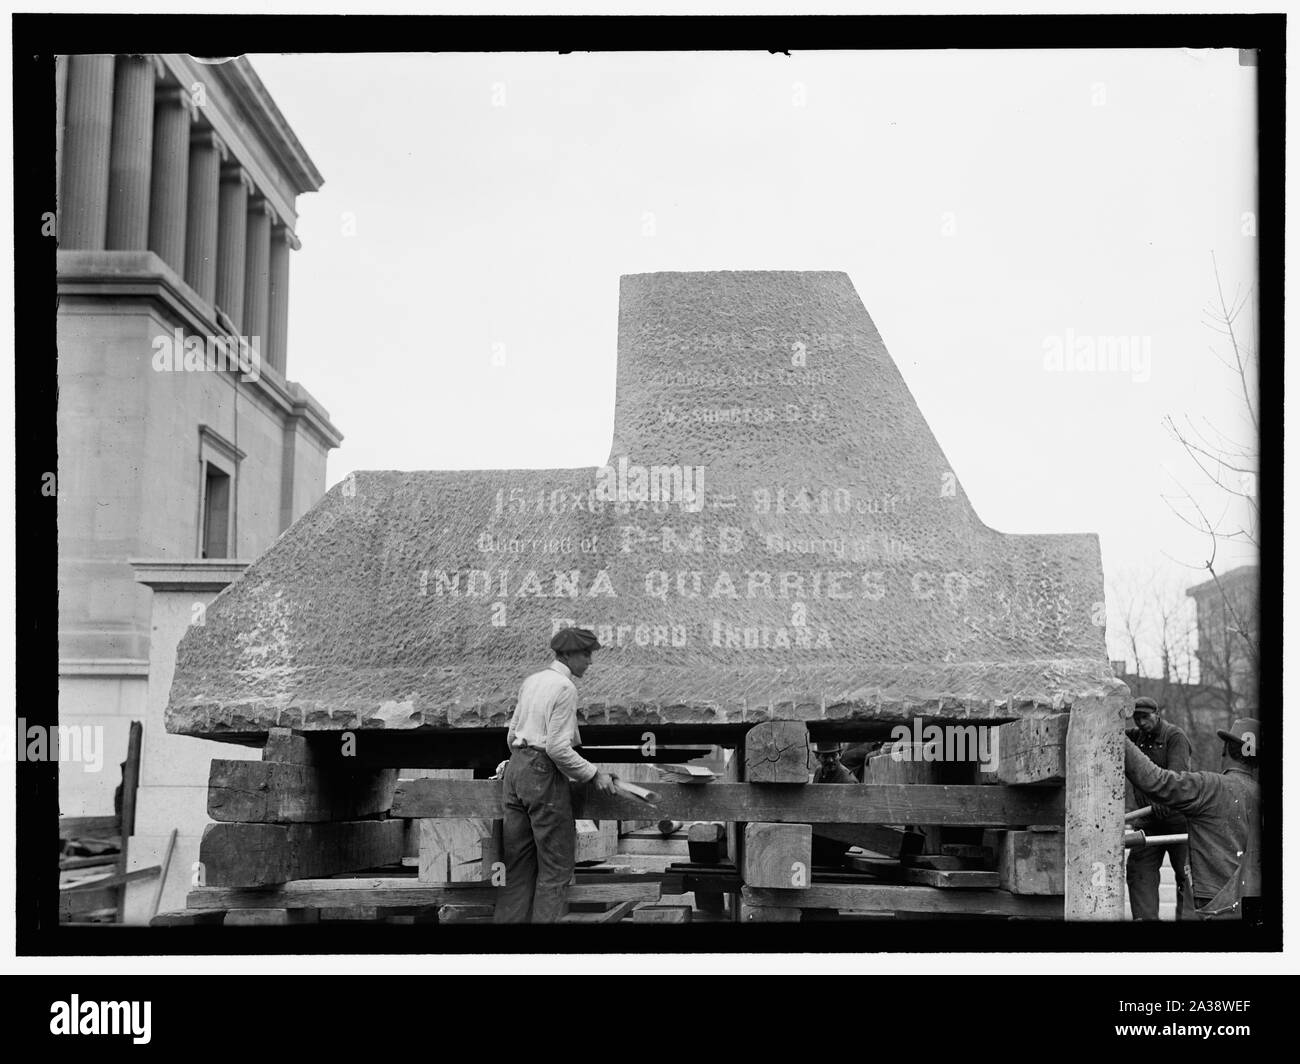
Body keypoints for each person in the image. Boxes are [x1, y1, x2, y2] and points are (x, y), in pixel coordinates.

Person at [492, 628, 619, 924]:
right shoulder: (564, 687)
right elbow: (557, 748)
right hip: (542, 773)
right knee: (556, 868)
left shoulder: (532, 682)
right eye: (586, 654)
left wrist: (520, 763)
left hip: (516, 770)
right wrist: (593, 774)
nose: (590, 661)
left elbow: (512, 736)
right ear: (569, 654)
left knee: (519, 866)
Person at [1123, 716, 1260, 921]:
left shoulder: (1211, 787)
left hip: (1210, 905)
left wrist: (1117, 735)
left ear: (1226, 749)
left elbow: (1156, 781)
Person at [1124, 697, 1193, 920]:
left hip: (1178, 818)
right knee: (1139, 872)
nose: (1142, 722)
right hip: (1148, 822)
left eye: (1146, 717)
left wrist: (1165, 801)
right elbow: (1111, 735)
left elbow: (1178, 777)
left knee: (1188, 876)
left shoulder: (1175, 737)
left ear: (1157, 713)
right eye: (1137, 718)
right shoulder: (1135, 738)